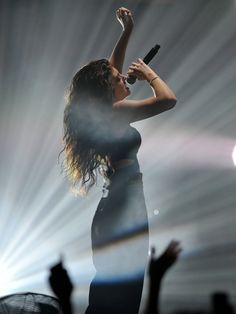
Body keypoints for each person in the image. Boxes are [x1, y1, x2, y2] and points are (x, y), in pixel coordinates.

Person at [62, 7, 177, 314]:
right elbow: (168, 100)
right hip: (125, 201)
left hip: (119, 199)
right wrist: (148, 73)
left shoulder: (104, 114)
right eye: (119, 78)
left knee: (116, 281)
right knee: (124, 284)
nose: (124, 75)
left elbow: (112, 69)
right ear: (107, 90)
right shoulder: (114, 114)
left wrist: (126, 32)